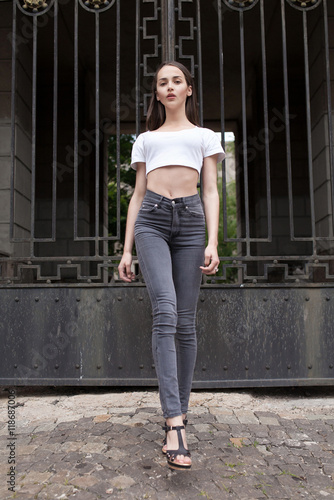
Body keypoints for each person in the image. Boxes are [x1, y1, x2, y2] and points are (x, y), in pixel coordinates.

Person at [118, 61, 225, 470]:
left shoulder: (205, 136)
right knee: (164, 310)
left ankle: (179, 407)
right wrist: (127, 251)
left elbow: (211, 189)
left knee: (185, 320)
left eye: (176, 81)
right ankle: (175, 422)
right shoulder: (145, 139)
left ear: (188, 90)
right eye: (162, 82)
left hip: (192, 223)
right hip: (152, 224)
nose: (169, 87)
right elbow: (137, 195)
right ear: (157, 93)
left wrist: (213, 240)